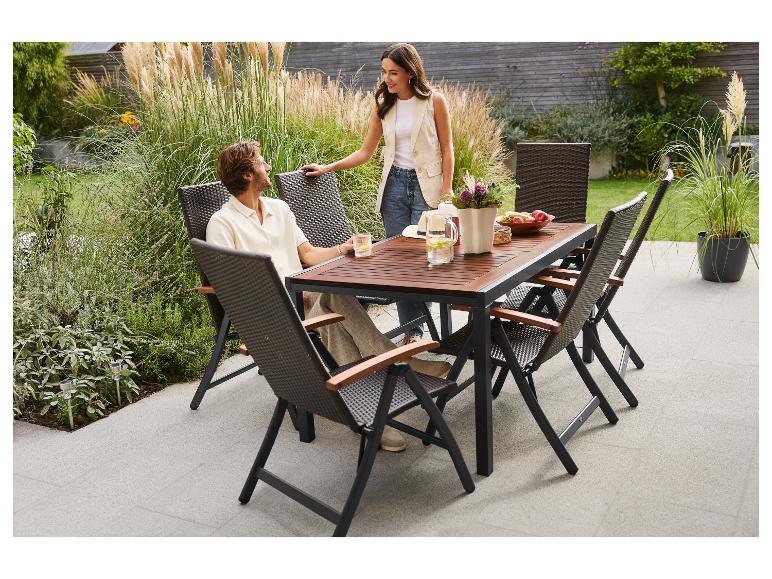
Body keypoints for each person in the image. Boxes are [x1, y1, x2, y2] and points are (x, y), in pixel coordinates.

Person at [206, 140, 450, 452]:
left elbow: (307, 254)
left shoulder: (279, 209)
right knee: (331, 308)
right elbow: (235, 288)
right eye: (261, 163)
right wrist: (277, 307)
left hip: (305, 299)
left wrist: (342, 249)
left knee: (332, 304)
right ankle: (401, 372)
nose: (268, 167)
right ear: (246, 176)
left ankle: (369, 412)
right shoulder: (222, 224)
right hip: (276, 314)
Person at [302, 42, 453, 345]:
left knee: (428, 256)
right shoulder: (384, 104)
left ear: (411, 72)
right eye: (384, 72)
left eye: (394, 73)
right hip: (394, 188)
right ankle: (414, 331)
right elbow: (365, 152)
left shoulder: (435, 101)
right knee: (401, 262)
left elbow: (448, 149)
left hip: (427, 187)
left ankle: (434, 320)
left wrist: (447, 188)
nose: (387, 79)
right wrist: (327, 168)